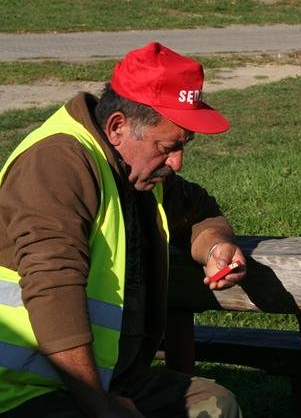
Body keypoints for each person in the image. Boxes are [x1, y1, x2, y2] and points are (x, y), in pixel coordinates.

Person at [0, 42, 246, 417]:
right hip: (24, 391)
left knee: (217, 406)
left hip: (109, 380)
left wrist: (216, 247)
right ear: (118, 127)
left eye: (184, 145)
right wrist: (101, 406)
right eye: (168, 146)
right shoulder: (57, 163)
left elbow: (200, 211)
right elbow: (53, 287)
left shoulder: (137, 170)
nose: (177, 162)